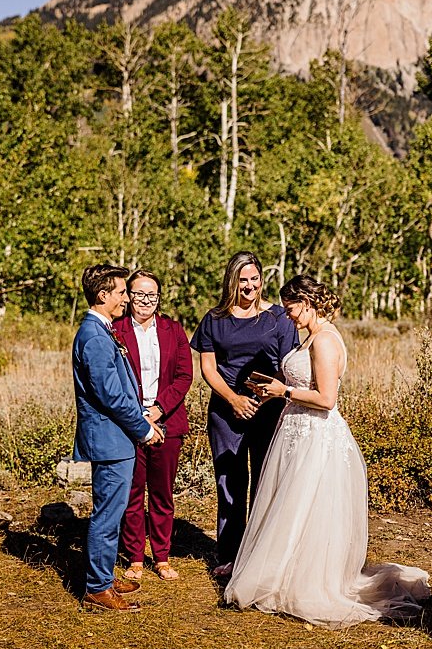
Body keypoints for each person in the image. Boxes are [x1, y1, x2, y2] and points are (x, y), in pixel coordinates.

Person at [225, 275, 430, 626]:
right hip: (295, 431)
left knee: (306, 505)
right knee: (289, 506)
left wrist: (283, 392)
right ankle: (282, 571)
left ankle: (305, 580)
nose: (288, 315)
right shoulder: (311, 338)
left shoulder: (326, 341)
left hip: (316, 435)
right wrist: (274, 388)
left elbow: (326, 399)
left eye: (290, 309)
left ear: (306, 302)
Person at [191, 251, 298, 579]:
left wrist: (265, 397)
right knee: (230, 483)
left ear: (262, 280)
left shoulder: (280, 318)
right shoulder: (214, 319)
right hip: (226, 413)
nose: (249, 286)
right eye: (243, 280)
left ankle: (263, 557)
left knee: (267, 482)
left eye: (254, 279)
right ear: (232, 281)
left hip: (269, 411)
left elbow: (288, 366)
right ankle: (231, 555)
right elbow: (208, 366)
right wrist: (234, 399)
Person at [71, 264, 164, 611]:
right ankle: (97, 588)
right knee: (108, 515)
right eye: (122, 292)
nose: (128, 298)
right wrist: (142, 429)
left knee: (114, 509)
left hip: (116, 437)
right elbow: (110, 395)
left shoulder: (101, 330)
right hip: (110, 440)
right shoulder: (94, 337)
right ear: (103, 295)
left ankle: (105, 578)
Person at [112, 269, 192, 582]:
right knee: (132, 493)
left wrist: (157, 410)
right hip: (128, 424)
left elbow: (185, 376)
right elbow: (112, 380)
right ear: (128, 297)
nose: (145, 301)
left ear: (158, 298)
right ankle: (133, 557)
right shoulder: (115, 330)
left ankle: (161, 556)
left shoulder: (173, 330)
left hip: (167, 422)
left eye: (152, 295)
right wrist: (137, 417)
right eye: (139, 294)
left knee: (162, 493)